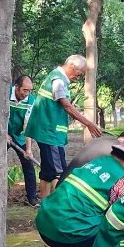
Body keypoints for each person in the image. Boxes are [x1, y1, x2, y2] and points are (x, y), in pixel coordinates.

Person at [25, 54, 103, 198]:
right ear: (71, 66)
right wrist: (88, 124)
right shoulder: (59, 80)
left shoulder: (56, 77)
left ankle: (45, 205)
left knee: (47, 173)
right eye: (79, 74)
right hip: (50, 134)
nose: (78, 78)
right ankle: (60, 206)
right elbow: (66, 106)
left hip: (47, 133)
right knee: (59, 173)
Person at [7, 74, 39, 206]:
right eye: (25, 90)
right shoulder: (5, 93)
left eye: (30, 91)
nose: (27, 94)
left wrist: (28, 149)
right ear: (16, 87)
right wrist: (3, 134)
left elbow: (28, 125)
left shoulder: (31, 101)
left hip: (20, 136)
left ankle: (32, 198)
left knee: (28, 165)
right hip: (2, 134)